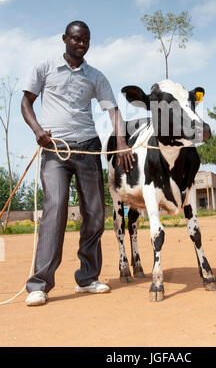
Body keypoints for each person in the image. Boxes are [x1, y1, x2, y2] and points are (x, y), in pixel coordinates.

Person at [21, 20, 134, 306]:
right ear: (64, 39)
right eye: (76, 39)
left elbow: (113, 110)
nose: (81, 44)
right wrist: (37, 130)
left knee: (95, 213)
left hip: (88, 149)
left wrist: (121, 142)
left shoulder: (96, 76)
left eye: (86, 39)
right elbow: (26, 102)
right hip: (55, 150)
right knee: (55, 207)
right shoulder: (44, 68)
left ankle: (87, 278)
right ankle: (40, 284)